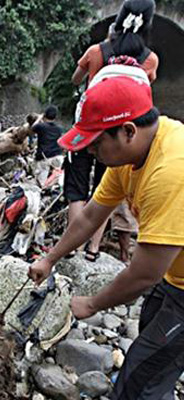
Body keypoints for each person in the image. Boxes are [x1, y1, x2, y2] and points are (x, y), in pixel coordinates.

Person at [28, 76, 184, 399]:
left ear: (127, 130)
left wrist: (91, 303)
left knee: (136, 383)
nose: (92, 152)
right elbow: (89, 216)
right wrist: (50, 258)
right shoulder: (129, 156)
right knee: (153, 351)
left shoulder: (170, 170)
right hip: (174, 274)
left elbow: (143, 274)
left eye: (95, 144)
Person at [66, 6, 159, 261]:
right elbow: (140, 95)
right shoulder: (150, 59)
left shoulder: (97, 51)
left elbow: (76, 79)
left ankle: (72, 246)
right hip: (120, 138)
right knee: (105, 189)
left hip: (88, 128)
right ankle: (93, 249)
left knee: (77, 188)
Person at [31, 105, 64, 186]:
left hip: (44, 157)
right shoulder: (59, 128)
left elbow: (32, 128)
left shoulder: (41, 126)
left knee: (41, 183)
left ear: (45, 115)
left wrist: (39, 118)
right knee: (56, 181)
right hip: (58, 156)